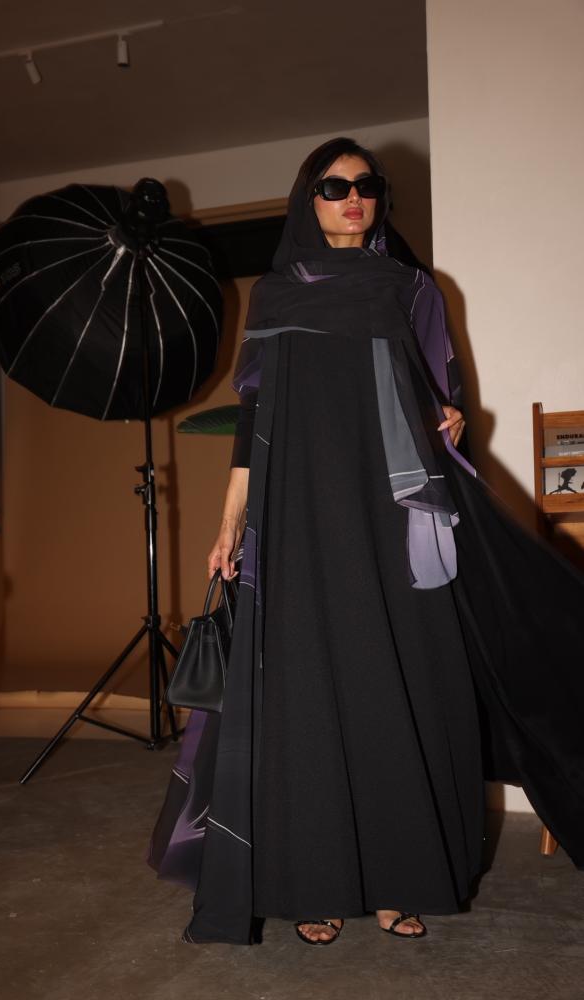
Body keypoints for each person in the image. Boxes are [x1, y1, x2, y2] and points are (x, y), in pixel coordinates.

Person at [149, 137, 584, 947]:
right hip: (299, 512)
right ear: (306, 200)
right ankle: (314, 885)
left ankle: (400, 880)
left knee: (402, 686)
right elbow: (254, 416)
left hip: (391, 510)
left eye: (366, 184)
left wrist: (450, 417)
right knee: (308, 691)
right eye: (334, 185)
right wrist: (230, 520)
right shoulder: (275, 293)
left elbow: (441, 392)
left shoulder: (408, 286)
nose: (353, 196)